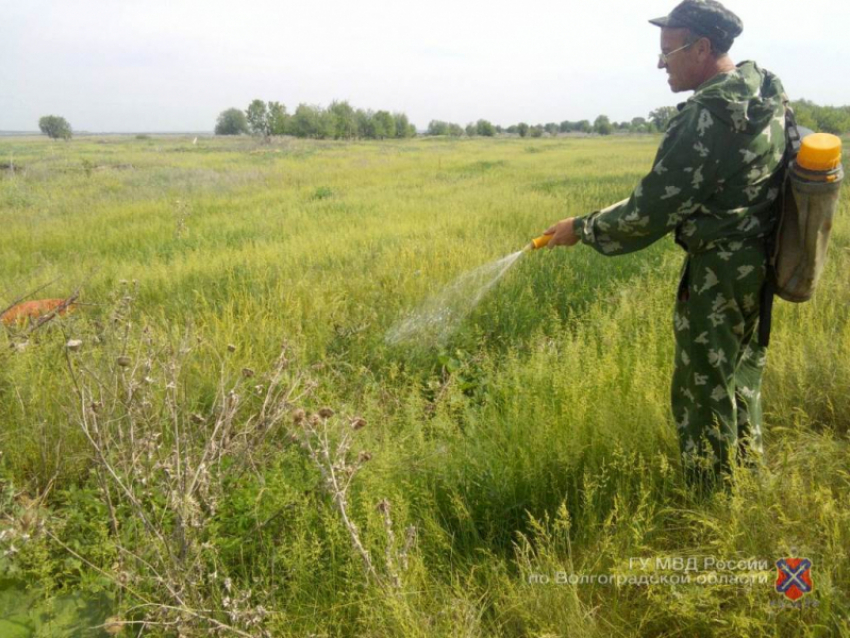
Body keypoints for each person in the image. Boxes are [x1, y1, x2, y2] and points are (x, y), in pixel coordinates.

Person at [544, 0, 788, 491]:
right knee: (740, 375)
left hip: (718, 270)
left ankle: (712, 494)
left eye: (668, 51)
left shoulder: (709, 114)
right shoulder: (764, 97)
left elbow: (651, 210)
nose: (661, 64)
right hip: (760, 260)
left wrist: (583, 227)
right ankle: (749, 479)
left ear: (701, 48)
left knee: (703, 386)